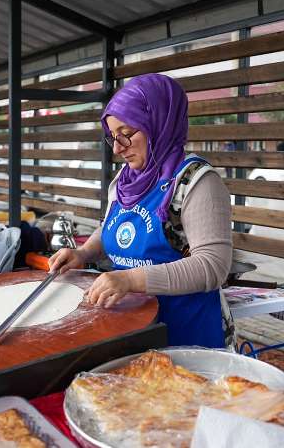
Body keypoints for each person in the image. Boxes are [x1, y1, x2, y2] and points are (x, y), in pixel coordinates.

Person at [49, 74, 233, 349]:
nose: (118, 148)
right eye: (113, 137)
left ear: (159, 121)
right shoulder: (126, 179)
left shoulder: (196, 181)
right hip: (132, 330)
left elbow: (212, 266)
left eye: (127, 134)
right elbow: (114, 227)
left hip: (187, 335)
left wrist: (130, 279)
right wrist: (84, 253)